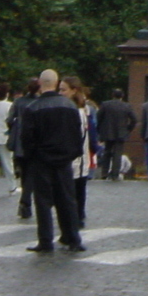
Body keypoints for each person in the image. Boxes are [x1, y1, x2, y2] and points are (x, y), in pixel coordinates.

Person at [20, 68, 85, 254]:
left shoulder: (32, 108)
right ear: (56, 84)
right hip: (64, 160)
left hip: (41, 160)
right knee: (67, 200)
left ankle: (45, 240)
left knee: (43, 201)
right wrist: (71, 154)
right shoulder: (70, 106)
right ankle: (73, 238)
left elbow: (27, 138)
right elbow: (76, 134)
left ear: (40, 84)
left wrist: (32, 156)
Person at [61, 75, 93, 224]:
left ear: (74, 91)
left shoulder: (78, 111)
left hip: (77, 157)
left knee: (76, 188)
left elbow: (78, 135)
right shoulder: (76, 109)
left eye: (63, 90)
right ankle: (77, 215)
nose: (60, 93)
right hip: (77, 156)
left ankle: (77, 216)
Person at [9, 78, 41, 219]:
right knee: (31, 174)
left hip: (20, 142)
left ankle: (25, 201)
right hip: (35, 142)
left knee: (25, 173)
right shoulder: (40, 102)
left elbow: (9, 120)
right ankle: (26, 202)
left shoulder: (19, 102)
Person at [96, 88, 136, 183]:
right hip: (121, 133)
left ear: (112, 95)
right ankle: (115, 174)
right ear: (122, 96)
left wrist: (100, 129)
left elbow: (98, 117)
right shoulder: (127, 106)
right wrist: (128, 129)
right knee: (117, 154)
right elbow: (134, 119)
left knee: (107, 152)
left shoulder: (105, 104)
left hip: (107, 132)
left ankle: (104, 173)